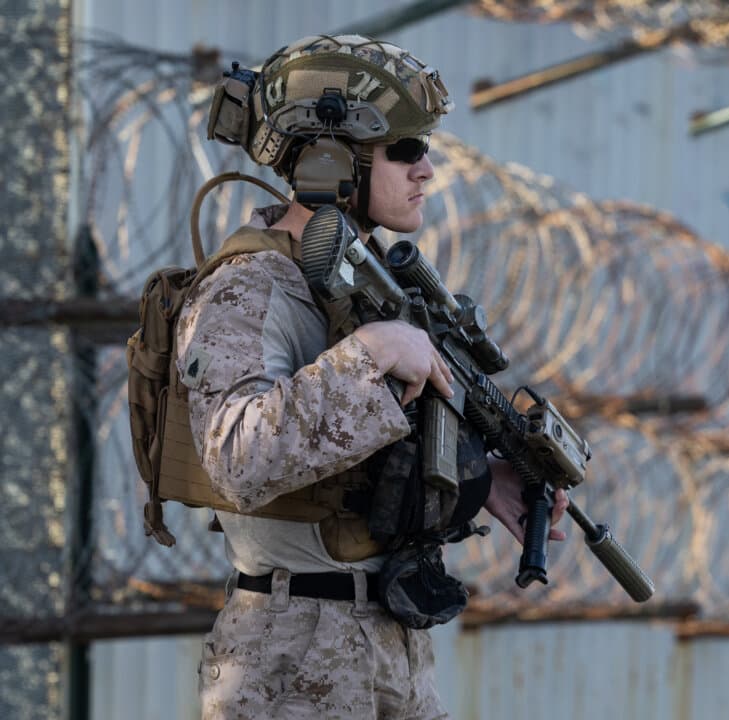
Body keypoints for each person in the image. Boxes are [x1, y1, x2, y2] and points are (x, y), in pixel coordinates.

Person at [178, 34, 568, 719]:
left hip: (387, 640)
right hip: (291, 655)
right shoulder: (250, 287)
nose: (427, 171)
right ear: (333, 159)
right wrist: (371, 354)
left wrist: (479, 485)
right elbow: (235, 459)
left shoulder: (358, 284)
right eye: (407, 149)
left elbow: (357, 466)